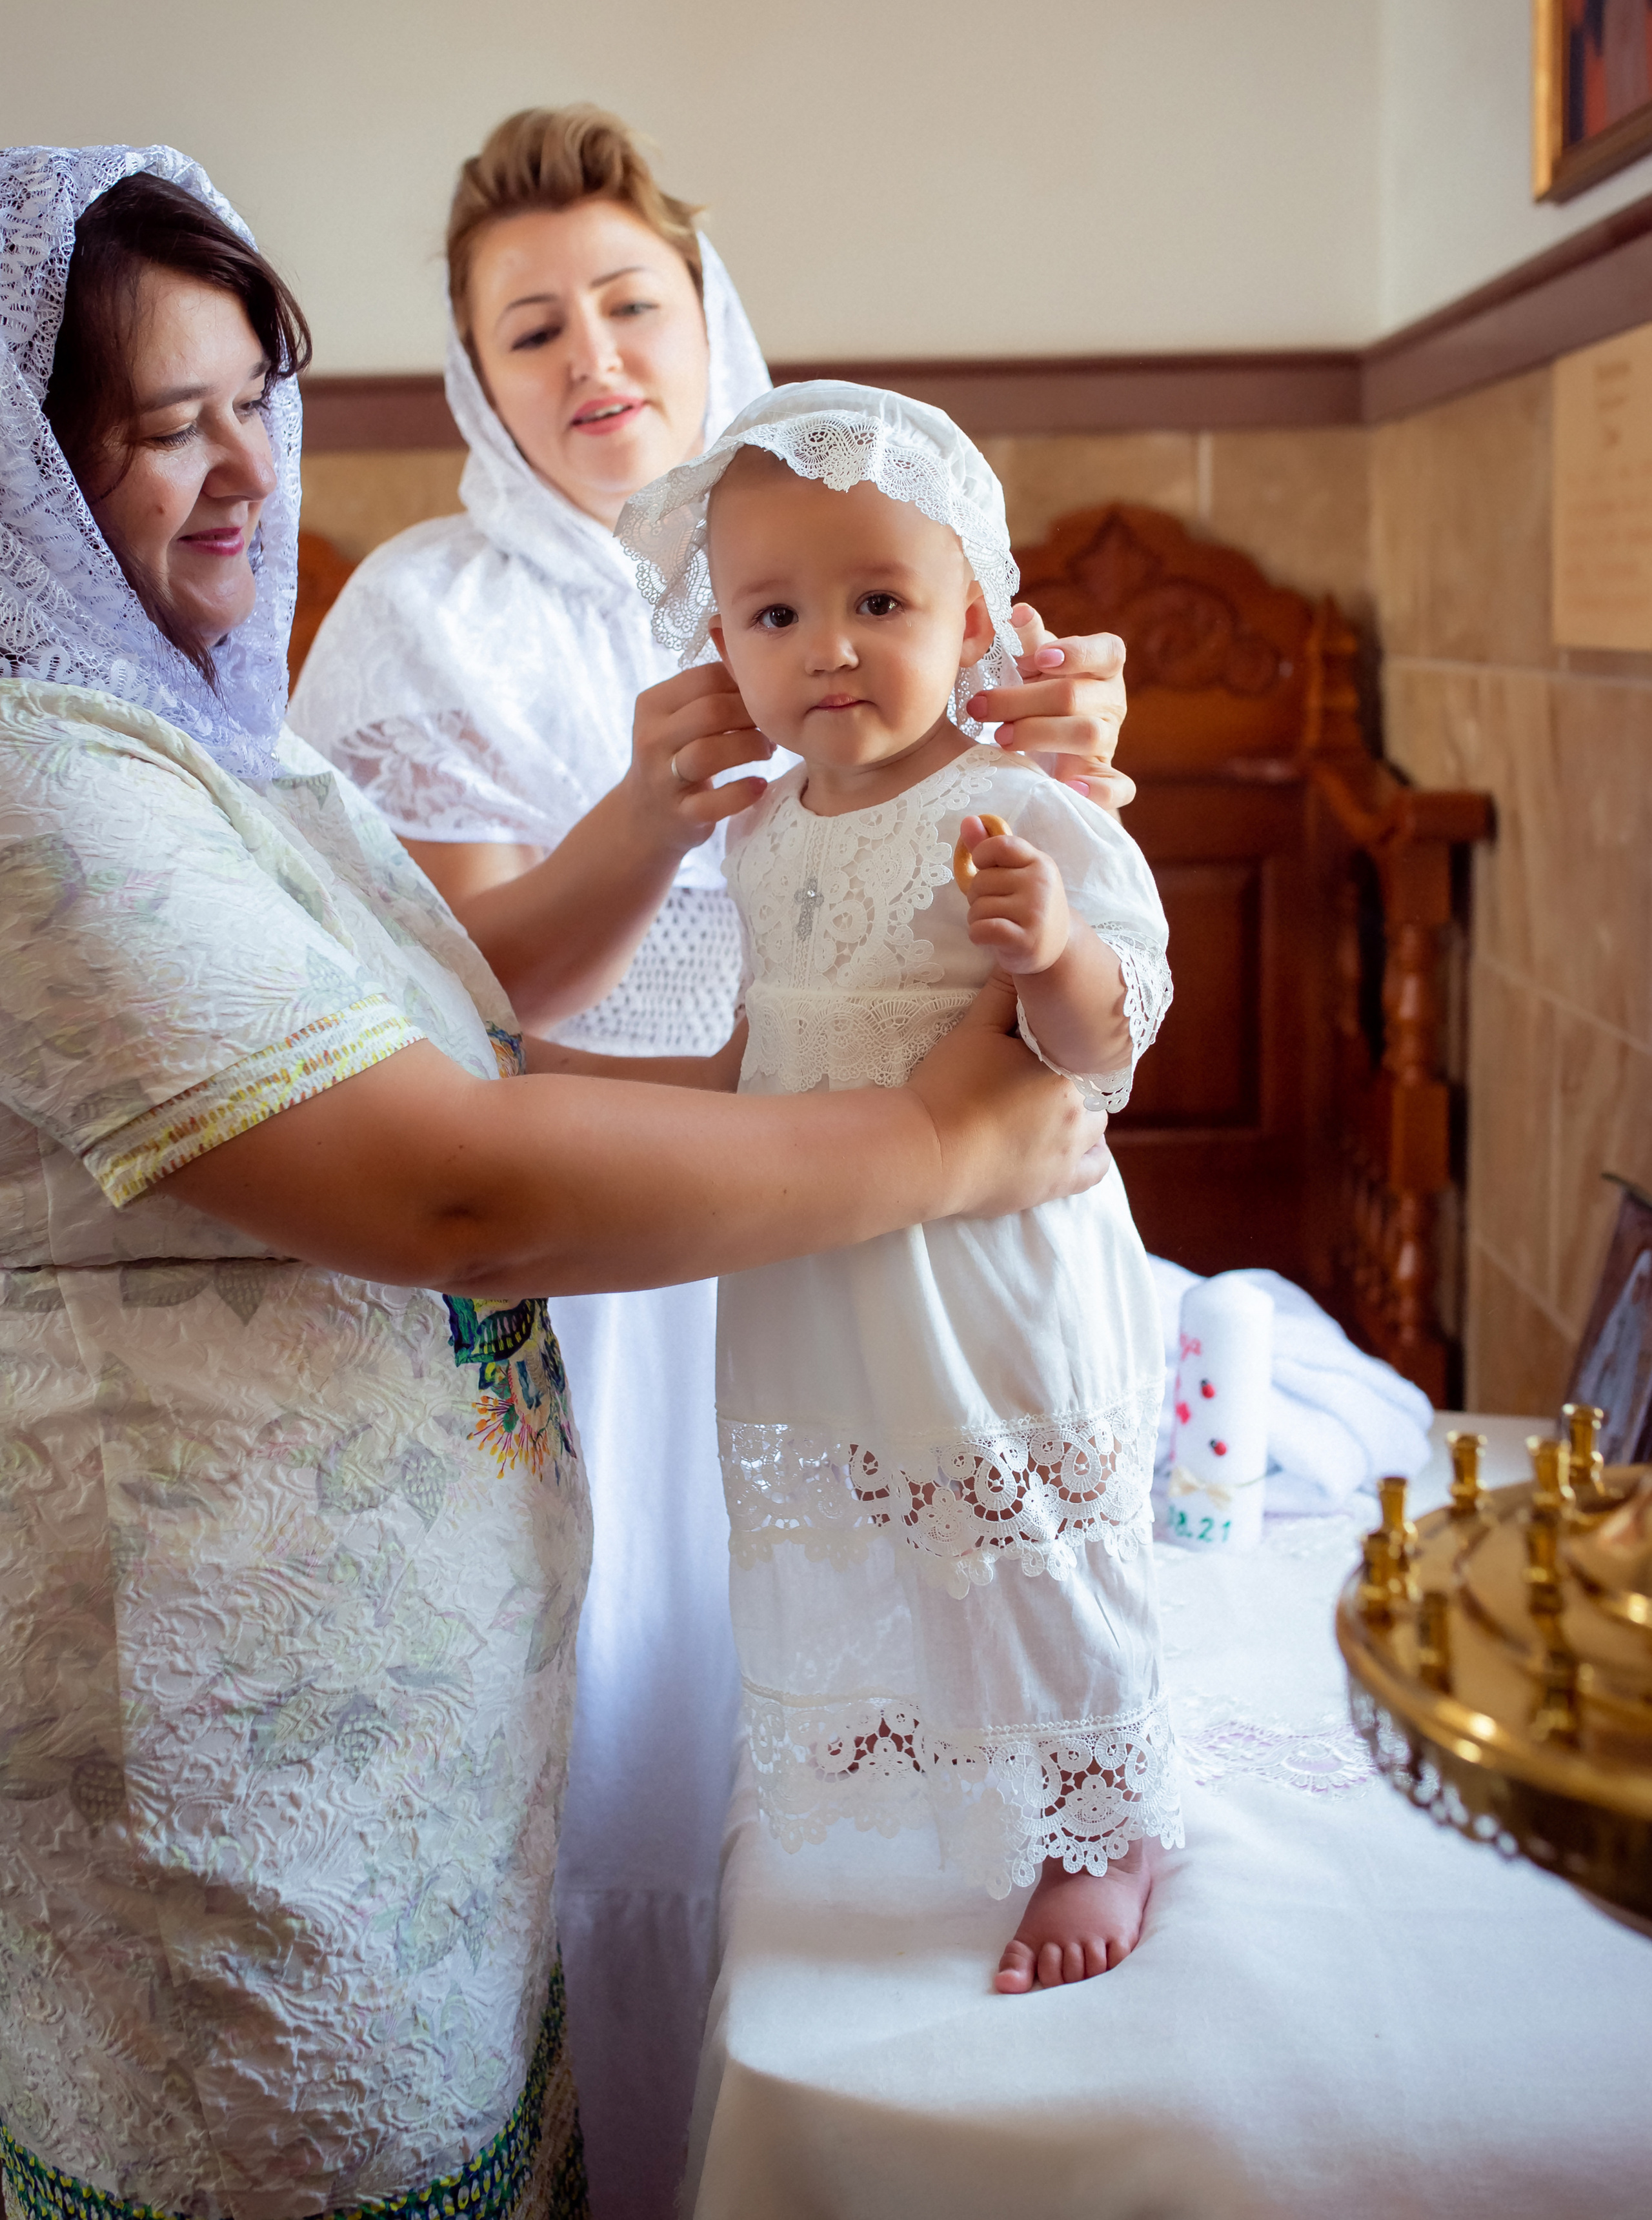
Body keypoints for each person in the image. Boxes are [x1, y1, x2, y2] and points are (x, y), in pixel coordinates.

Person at [0, 148, 1109, 2220]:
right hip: (225, 1772)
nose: (250, 469)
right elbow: (444, 1185)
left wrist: (1007, 827)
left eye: (258, 396)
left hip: (395, 1755)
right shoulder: (37, 785)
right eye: (169, 426)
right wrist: (945, 1137)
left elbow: (455, 1027)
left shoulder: (211, 738)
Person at [618, 383, 1183, 1992]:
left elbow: (1108, 1036)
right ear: (719, 640)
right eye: (775, 613)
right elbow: (759, 1051)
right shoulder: (766, 833)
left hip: (985, 1262)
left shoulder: (1011, 804)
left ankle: (1096, 1816)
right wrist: (562, 1083)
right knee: (889, 1501)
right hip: (822, 1253)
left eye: (879, 602)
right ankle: (951, 1759)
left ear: (978, 621)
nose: (828, 647)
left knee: (1014, 1518)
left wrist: (1051, 950)